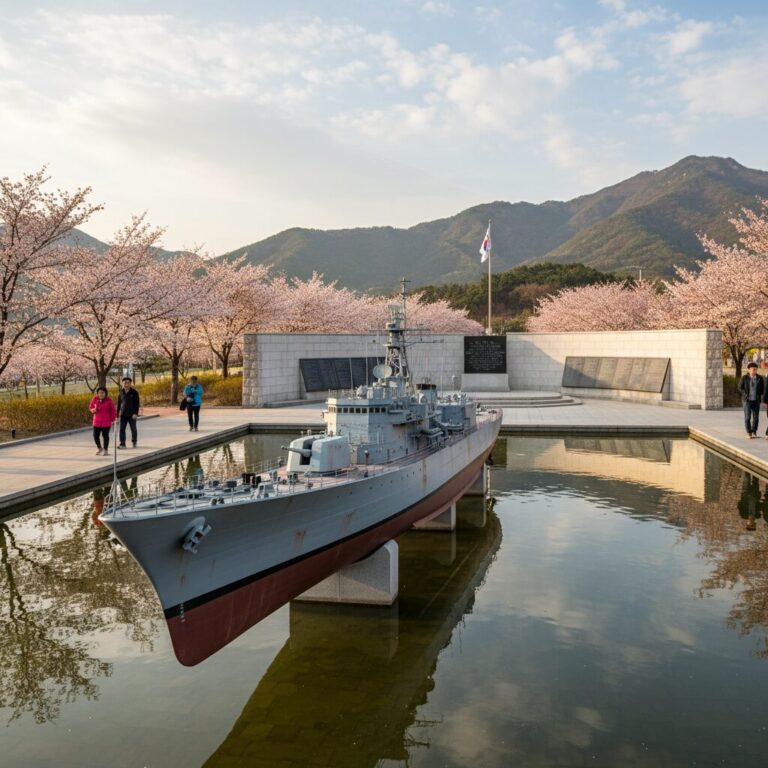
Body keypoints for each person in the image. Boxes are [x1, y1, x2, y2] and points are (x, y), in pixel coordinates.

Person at [739, 362, 764, 438]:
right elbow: (740, 387)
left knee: (756, 418)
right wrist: (745, 394)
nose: (754, 371)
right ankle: (749, 432)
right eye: (753, 370)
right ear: (749, 370)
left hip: (756, 400)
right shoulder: (744, 378)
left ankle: (754, 431)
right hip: (747, 401)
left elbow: (762, 388)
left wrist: (760, 395)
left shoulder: (760, 378)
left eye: (756, 370)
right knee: (748, 417)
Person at [88, 386, 116, 455]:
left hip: (106, 422)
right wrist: (92, 410)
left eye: (103, 393)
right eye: (99, 393)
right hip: (96, 421)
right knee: (95, 435)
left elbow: (113, 410)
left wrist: (113, 419)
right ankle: (99, 448)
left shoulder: (109, 400)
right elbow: (91, 407)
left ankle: (106, 450)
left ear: (105, 393)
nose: (101, 394)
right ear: (97, 393)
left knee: (105, 436)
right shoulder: (95, 399)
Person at [116, 376, 141, 448]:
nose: (126, 384)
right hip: (123, 414)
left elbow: (137, 404)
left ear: (130, 384)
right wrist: (117, 414)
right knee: (122, 429)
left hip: (132, 414)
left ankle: (134, 441)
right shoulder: (121, 392)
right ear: (122, 384)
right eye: (125, 383)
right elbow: (119, 403)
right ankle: (122, 443)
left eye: (128, 383)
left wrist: (135, 413)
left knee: (133, 428)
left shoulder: (134, 392)